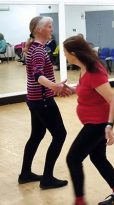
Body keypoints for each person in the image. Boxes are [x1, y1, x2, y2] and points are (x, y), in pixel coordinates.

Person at [63, 35, 114, 205]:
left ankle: (80, 201)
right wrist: (71, 89)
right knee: (98, 158)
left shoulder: (94, 71)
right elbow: (87, 89)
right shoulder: (84, 68)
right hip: (93, 122)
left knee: (73, 159)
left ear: (73, 53)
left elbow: (113, 100)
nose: (63, 56)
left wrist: (109, 125)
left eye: (65, 53)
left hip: (98, 124)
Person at [18, 16, 70, 189]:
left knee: (37, 135)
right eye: (49, 26)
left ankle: (25, 173)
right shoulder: (39, 50)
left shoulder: (33, 47)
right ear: (39, 30)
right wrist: (54, 86)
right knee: (60, 135)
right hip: (43, 101)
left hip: (34, 99)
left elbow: (36, 74)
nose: (51, 29)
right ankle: (47, 178)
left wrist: (53, 87)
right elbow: (37, 75)